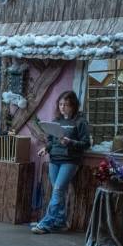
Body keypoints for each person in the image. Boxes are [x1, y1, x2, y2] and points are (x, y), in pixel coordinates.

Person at [31, 91, 90, 234]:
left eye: (67, 105)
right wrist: (46, 148)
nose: (63, 107)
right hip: (54, 160)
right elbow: (51, 140)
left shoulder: (80, 122)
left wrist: (70, 142)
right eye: (61, 104)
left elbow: (86, 144)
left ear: (73, 106)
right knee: (59, 191)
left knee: (57, 190)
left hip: (70, 161)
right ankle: (60, 222)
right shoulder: (56, 121)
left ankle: (46, 224)